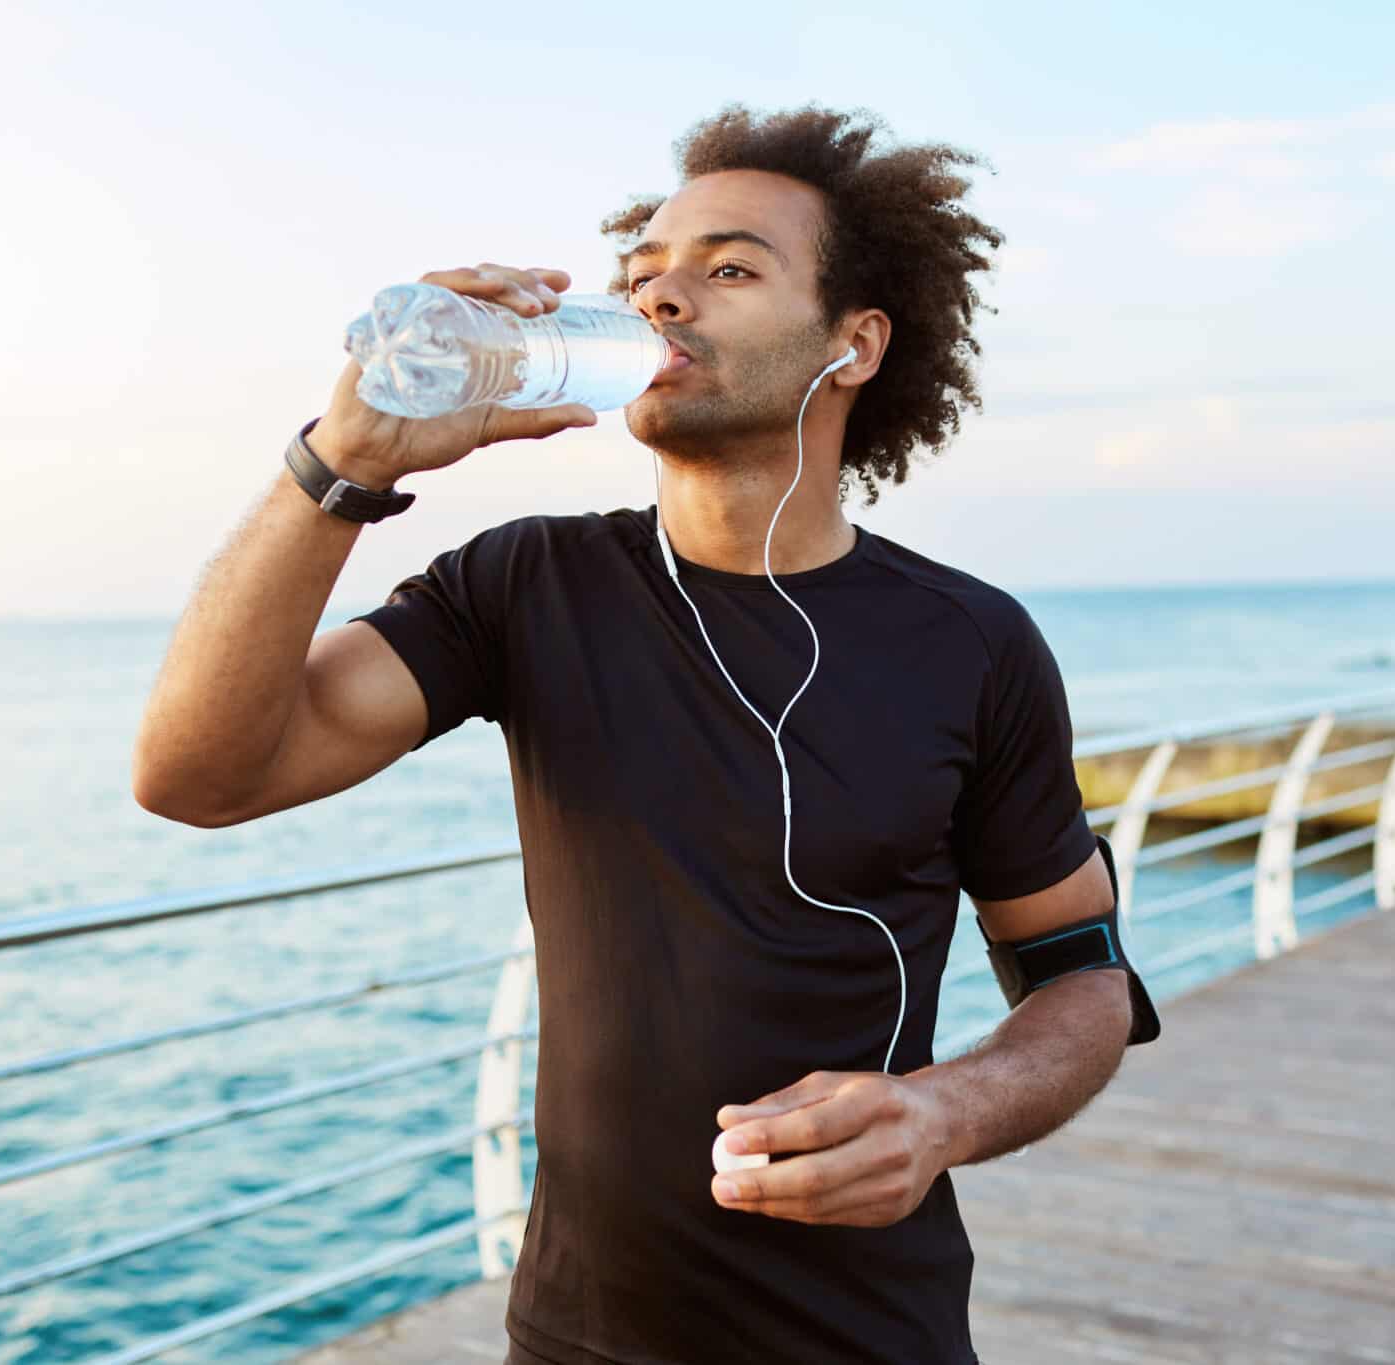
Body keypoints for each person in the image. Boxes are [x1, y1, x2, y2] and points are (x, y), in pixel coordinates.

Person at [133, 104, 1150, 1365]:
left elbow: (1080, 982)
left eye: (727, 269)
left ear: (854, 343)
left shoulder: (972, 642)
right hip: (578, 1335)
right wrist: (343, 459)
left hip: (866, 1335)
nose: (663, 298)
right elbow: (197, 777)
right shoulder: (522, 588)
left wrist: (941, 1113)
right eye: (641, 277)